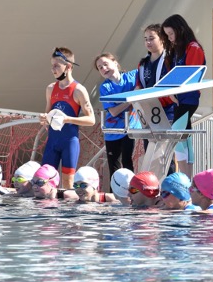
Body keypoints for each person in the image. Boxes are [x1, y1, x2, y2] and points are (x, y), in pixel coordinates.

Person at [39, 47, 95, 190]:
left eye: (57, 65)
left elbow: (91, 120)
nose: (53, 69)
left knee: (68, 183)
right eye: (52, 65)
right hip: (52, 140)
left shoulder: (78, 90)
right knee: (44, 180)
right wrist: (43, 118)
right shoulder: (50, 88)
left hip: (69, 141)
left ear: (68, 66)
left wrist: (67, 119)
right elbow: (47, 115)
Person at [162, 14, 206, 177]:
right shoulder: (174, 51)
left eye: (171, 34)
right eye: (167, 35)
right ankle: (188, 178)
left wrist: (175, 91)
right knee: (184, 136)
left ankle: (185, 176)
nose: (170, 38)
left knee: (177, 134)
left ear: (180, 31)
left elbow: (190, 73)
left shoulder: (193, 47)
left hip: (188, 98)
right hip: (177, 99)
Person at [137, 23, 176, 176]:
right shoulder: (143, 63)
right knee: (151, 152)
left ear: (162, 39)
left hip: (167, 113)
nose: (148, 42)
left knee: (165, 155)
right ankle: (153, 189)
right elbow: (139, 86)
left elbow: (174, 88)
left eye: (152, 38)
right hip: (149, 113)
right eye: (145, 39)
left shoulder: (170, 60)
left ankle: (169, 189)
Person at [96, 52, 139, 181]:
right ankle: (114, 197)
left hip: (129, 129)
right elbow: (114, 112)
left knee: (127, 164)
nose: (104, 69)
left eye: (105, 64)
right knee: (114, 169)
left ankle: (131, 194)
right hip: (112, 131)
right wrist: (131, 99)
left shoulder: (132, 76)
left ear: (115, 63)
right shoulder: (105, 87)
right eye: (100, 67)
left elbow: (145, 73)